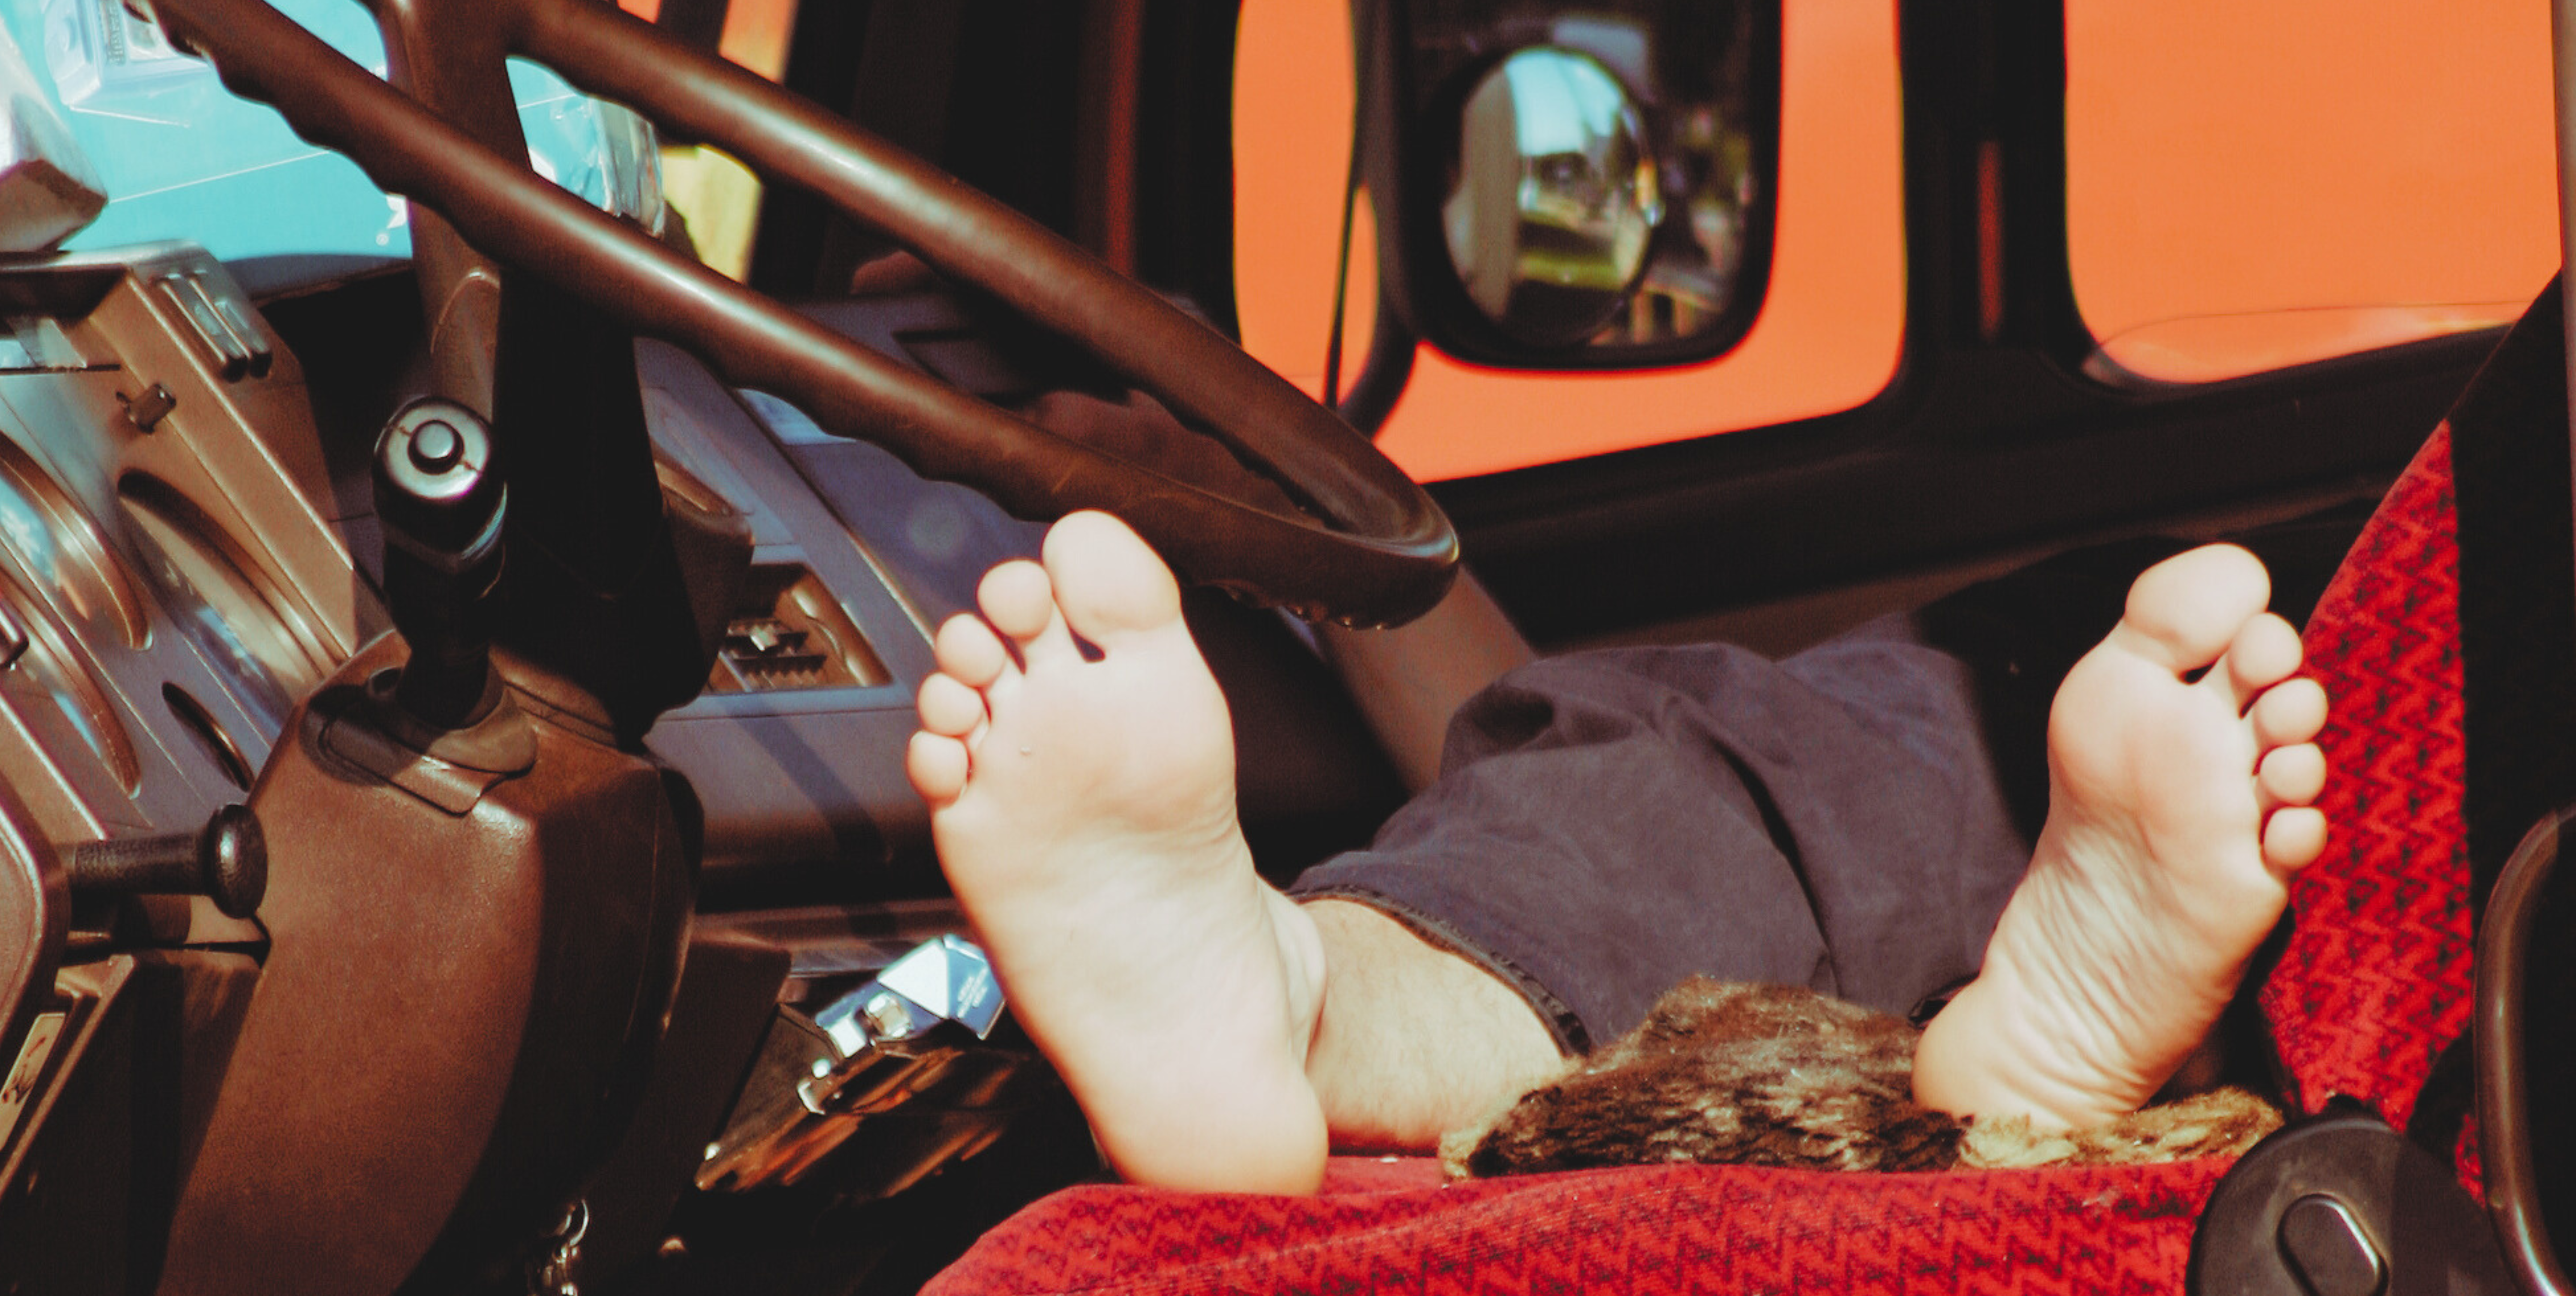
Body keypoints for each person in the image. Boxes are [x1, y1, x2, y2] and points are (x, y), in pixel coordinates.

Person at [904, 511, 2330, 1194]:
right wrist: (1277, 494)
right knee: (1713, 752)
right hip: (2312, 622)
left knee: (1800, 755)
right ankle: (2017, 1069)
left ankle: (1307, 997)